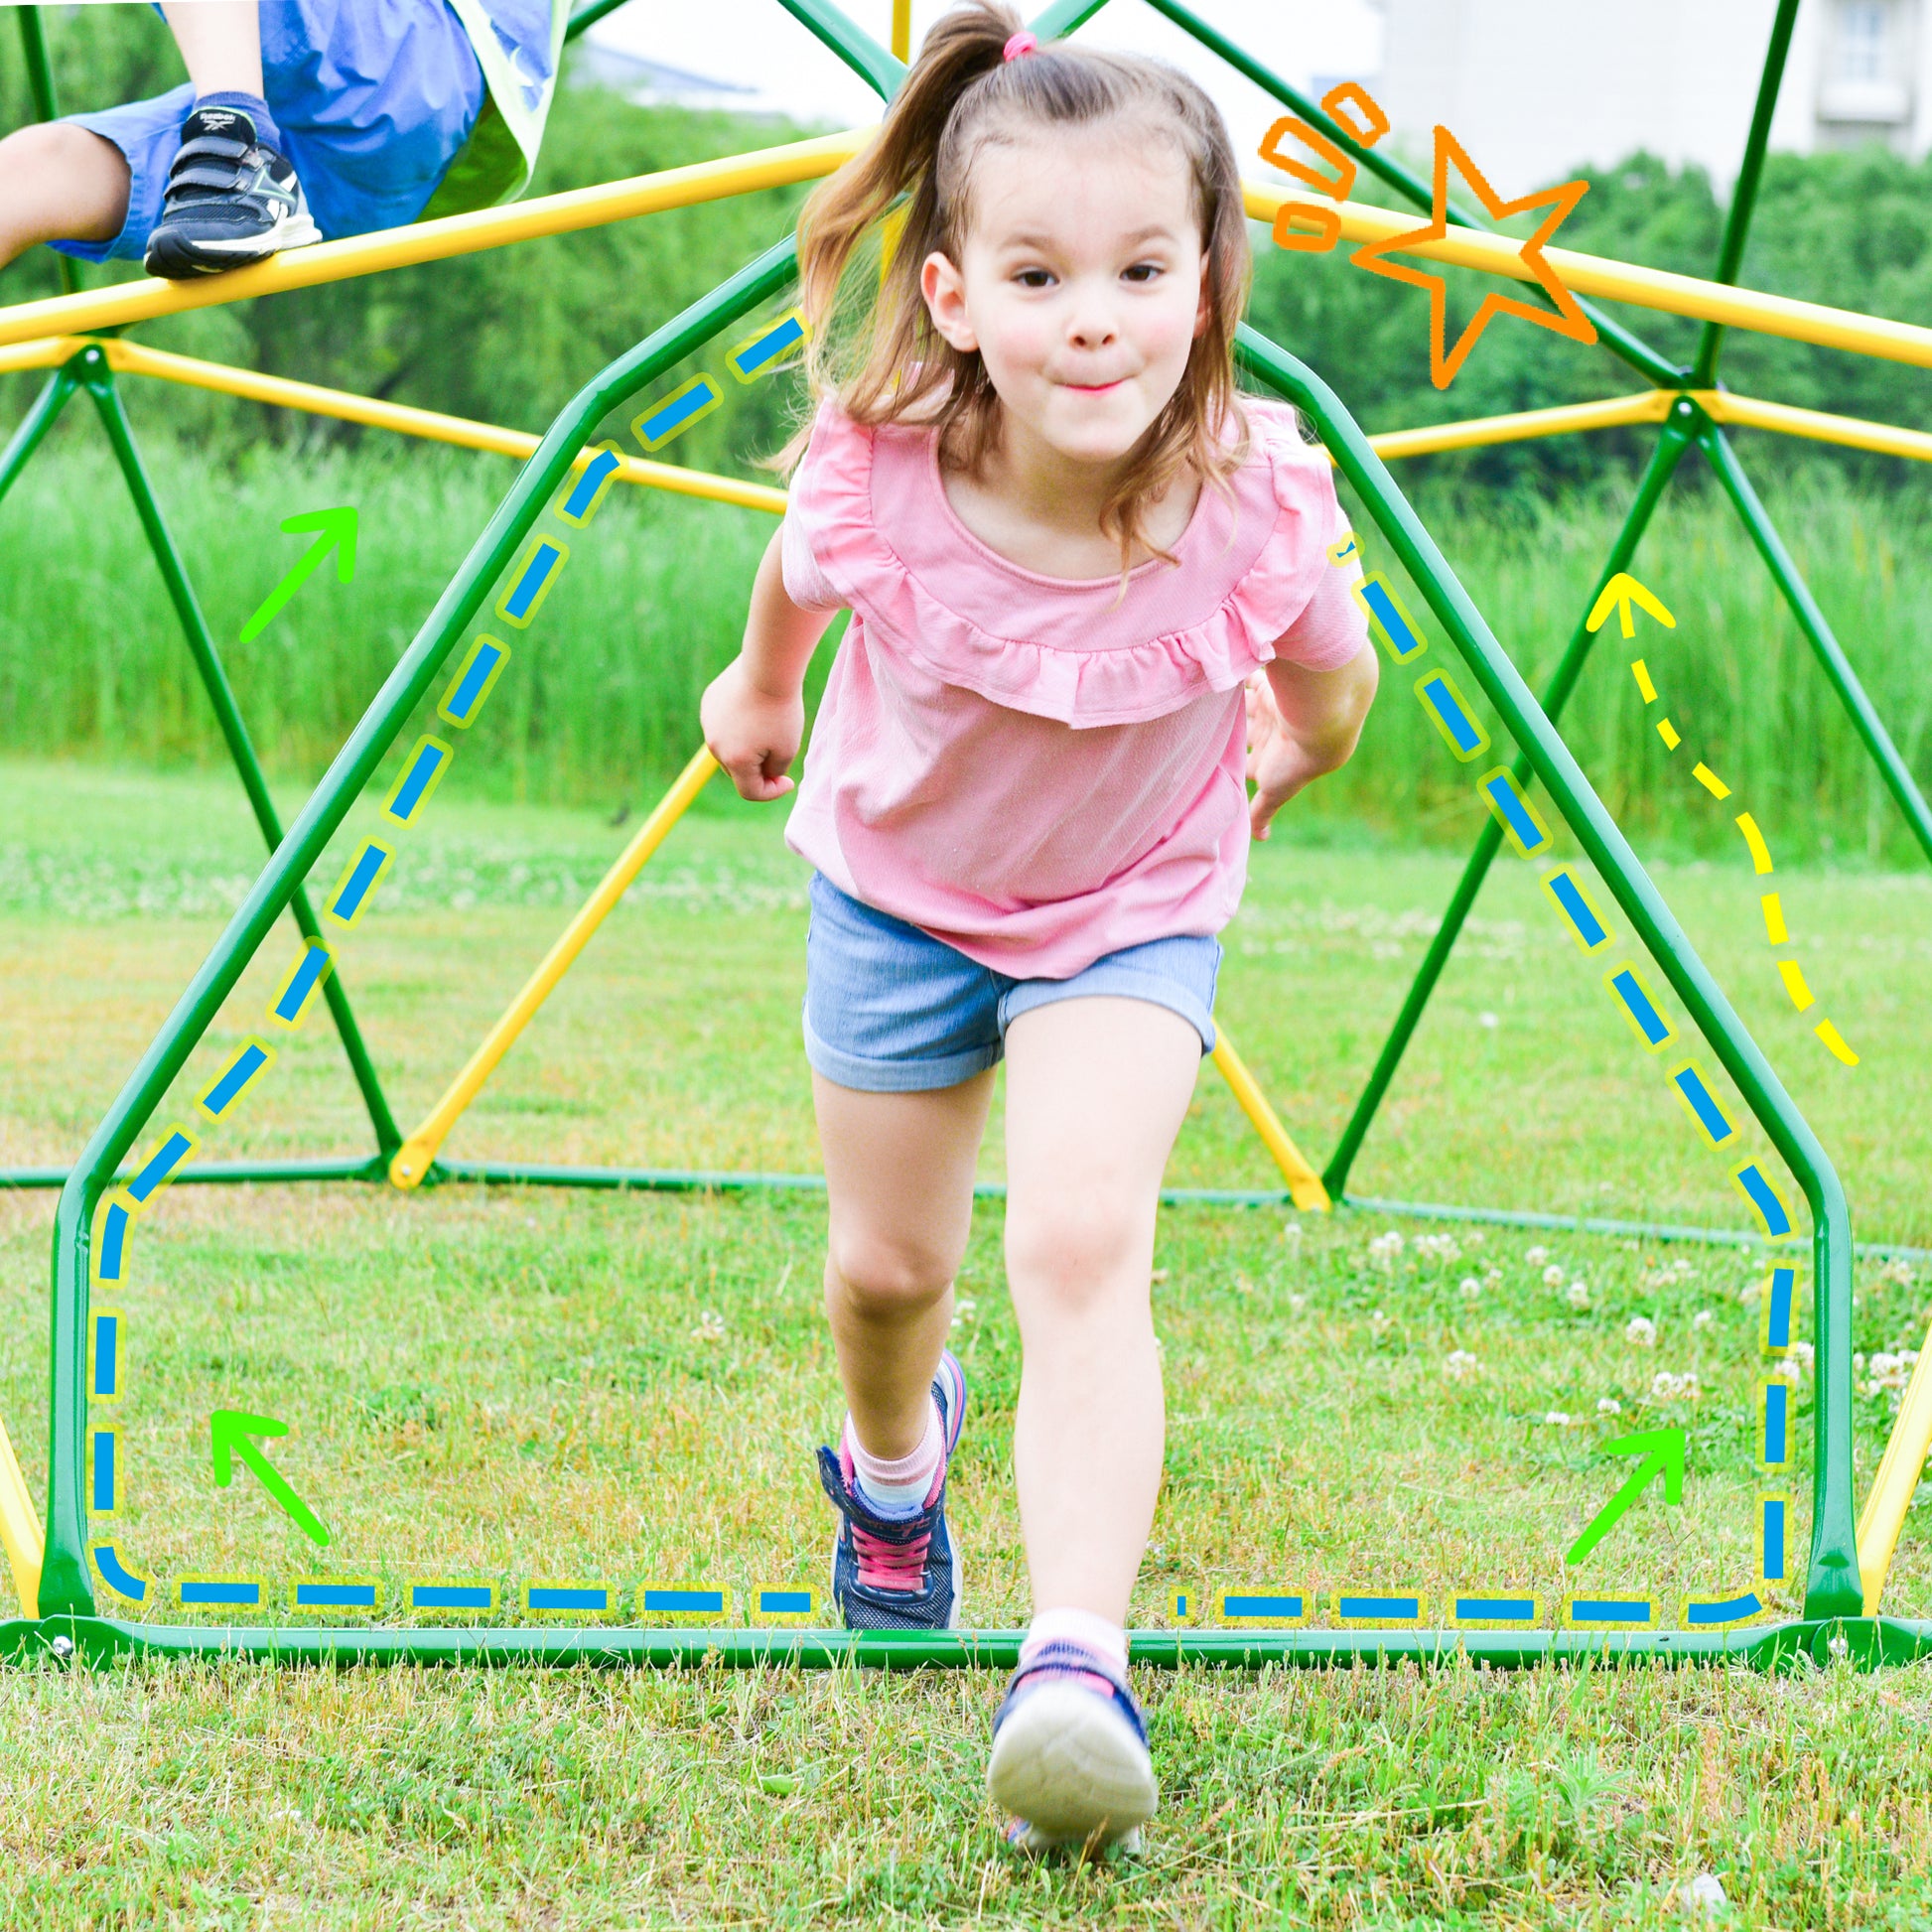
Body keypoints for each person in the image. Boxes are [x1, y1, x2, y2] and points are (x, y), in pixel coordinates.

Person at [700, 2, 1378, 1856]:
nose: (1096, 317)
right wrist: (758, 690)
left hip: (1128, 915)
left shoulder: (1250, 500)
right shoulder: (887, 475)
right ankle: (890, 1471)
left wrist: (1288, 756)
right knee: (886, 1276)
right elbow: (791, 580)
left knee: (1082, 1241)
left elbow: (1332, 684)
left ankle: (1074, 1665)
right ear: (950, 296)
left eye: (1142, 269)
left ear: (1206, 277)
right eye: (1038, 273)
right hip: (897, 900)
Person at [0, 0, 562, 279]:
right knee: (32, 171)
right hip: (355, 185)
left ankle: (232, 146)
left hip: (414, 60)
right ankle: (232, 153)